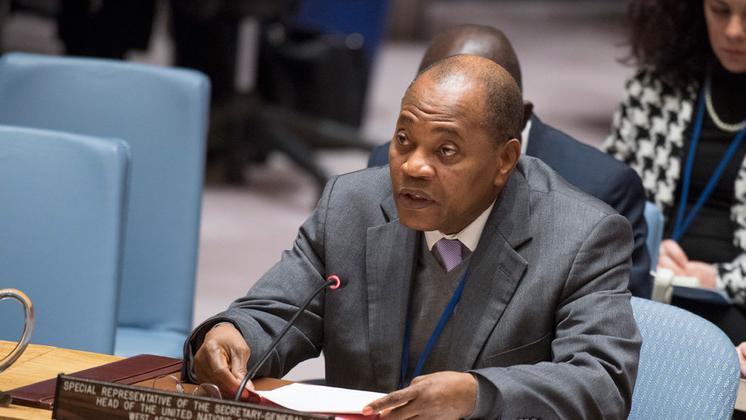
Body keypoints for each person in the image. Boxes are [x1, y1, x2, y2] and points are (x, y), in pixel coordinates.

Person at [184, 55, 641, 419]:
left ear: (504, 160)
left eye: (446, 150)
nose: (413, 166)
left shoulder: (581, 236)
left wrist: (478, 394)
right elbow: (277, 311)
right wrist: (234, 333)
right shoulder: (353, 205)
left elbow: (601, 383)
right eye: (403, 139)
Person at [368, 24, 651, 298]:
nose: (414, 166)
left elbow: (622, 314)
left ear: (521, 118)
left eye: (447, 149)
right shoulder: (386, 163)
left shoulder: (597, 191)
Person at [603, 0, 746, 347]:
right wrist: (645, 246)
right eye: (720, 11)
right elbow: (604, 196)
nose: (733, 31)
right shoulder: (657, 84)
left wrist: (720, 280)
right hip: (645, 284)